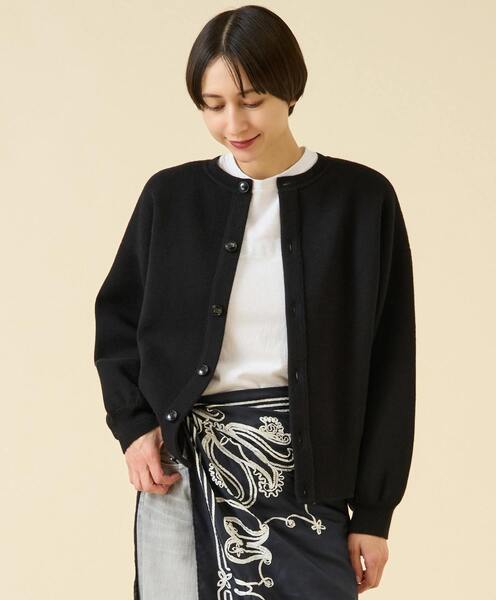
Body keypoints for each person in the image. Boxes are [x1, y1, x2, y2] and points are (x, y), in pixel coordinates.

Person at [93, 5, 416, 600]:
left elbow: (391, 364)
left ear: (290, 90)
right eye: (213, 106)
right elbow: (117, 323)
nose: (233, 123)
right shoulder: (170, 198)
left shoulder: (362, 201)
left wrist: (374, 514)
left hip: (311, 479)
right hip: (185, 474)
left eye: (251, 101)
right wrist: (134, 427)